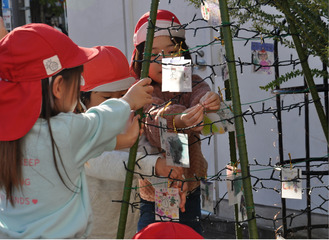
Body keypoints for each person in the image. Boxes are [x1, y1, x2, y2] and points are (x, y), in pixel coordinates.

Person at [0, 23, 154, 238]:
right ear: (59, 87)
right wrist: (128, 101)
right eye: (77, 82)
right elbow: (100, 120)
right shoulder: (66, 129)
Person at [79, 45, 186, 238]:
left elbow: (148, 151)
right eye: (107, 98)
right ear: (82, 99)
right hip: (86, 231)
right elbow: (103, 161)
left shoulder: (130, 121)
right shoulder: (78, 129)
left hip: (126, 226)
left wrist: (169, 189)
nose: (117, 103)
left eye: (123, 96)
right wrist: (156, 166)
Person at [130, 10, 221, 235]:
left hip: (190, 184)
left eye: (171, 52)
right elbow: (153, 117)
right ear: (140, 57)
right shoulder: (141, 90)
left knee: (190, 231)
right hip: (157, 187)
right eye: (153, 54)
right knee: (155, 233)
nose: (163, 59)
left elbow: (200, 92)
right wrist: (178, 120)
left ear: (183, 53)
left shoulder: (189, 82)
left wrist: (207, 101)